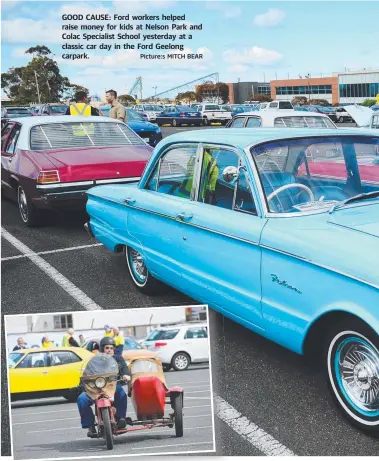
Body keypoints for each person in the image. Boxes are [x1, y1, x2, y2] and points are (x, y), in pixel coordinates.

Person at [77, 337, 131, 437]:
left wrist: (125, 375)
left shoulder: (118, 359)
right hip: (95, 388)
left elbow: (124, 368)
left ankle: (121, 419)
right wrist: (82, 383)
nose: (109, 350)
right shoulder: (95, 360)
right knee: (82, 399)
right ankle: (90, 425)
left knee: (122, 394)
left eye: (111, 348)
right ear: (102, 349)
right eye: (107, 348)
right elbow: (88, 372)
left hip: (112, 387)